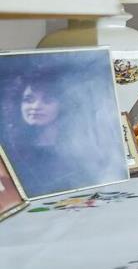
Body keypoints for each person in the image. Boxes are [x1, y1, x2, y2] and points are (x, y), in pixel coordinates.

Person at [0, 61, 126, 196]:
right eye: (28, 100)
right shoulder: (12, 150)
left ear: (63, 105)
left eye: (47, 100)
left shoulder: (81, 147)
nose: (35, 106)